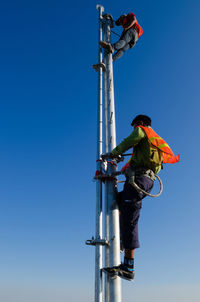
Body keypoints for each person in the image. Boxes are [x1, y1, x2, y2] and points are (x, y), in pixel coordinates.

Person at [102, 115, 179, 281]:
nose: (134, 129)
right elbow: (139, 162)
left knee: (130, 217)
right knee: (121, 203)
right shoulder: (154, 141)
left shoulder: (141, 131)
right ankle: (123, 241)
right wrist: (124, 169)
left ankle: (128, 267)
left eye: (135, 126)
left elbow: (129, 141)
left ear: (140, 123)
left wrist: (113, 154)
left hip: (139, 180)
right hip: (145, 180)